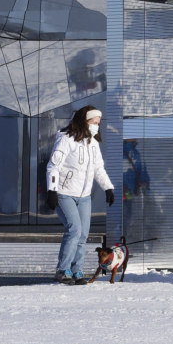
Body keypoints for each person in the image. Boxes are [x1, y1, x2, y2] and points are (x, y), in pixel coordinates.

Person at [45, 105, 115, 285]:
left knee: (83, 234)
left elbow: (98, 168)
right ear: (85, 121)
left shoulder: (93, 143)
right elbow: (53, 166)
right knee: (74, 229)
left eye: (98, 123)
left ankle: (77, 271)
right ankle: (62, 269)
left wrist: (108, 188)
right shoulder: (66, 139)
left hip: (84, 196)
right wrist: (52, 190)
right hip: (64, 193)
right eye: (94, 122)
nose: (96, 126)